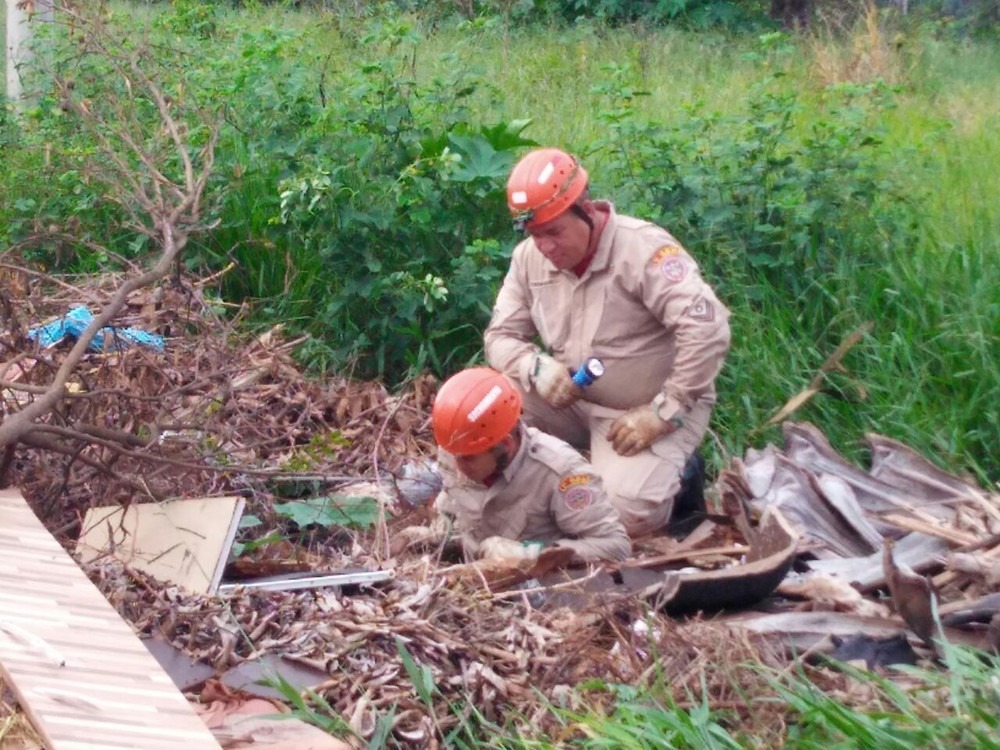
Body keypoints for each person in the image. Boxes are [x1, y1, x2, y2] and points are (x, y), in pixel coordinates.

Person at [484, 148, 731, 537]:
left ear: (585, 209)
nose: (545, 247)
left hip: (647, 409)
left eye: (554, 232)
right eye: (534, 235)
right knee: (486, 409)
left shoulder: (642, 249)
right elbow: (499, 337)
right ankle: (570, 474)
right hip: (571, 400)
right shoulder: (528, 259)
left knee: (618, 517)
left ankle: (682, 477)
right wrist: (536, 367)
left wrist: (664, 412)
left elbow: (708, 328)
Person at [422, 366, 631, 564]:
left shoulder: (560, 471)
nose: (458, 466)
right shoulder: (457, 445)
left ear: (505, 445)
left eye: (468, 458)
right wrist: (441, 526)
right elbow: (453, 492)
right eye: (453, 454)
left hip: (535, 592)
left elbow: (616, 546)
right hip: (470, 584)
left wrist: (534, 554)